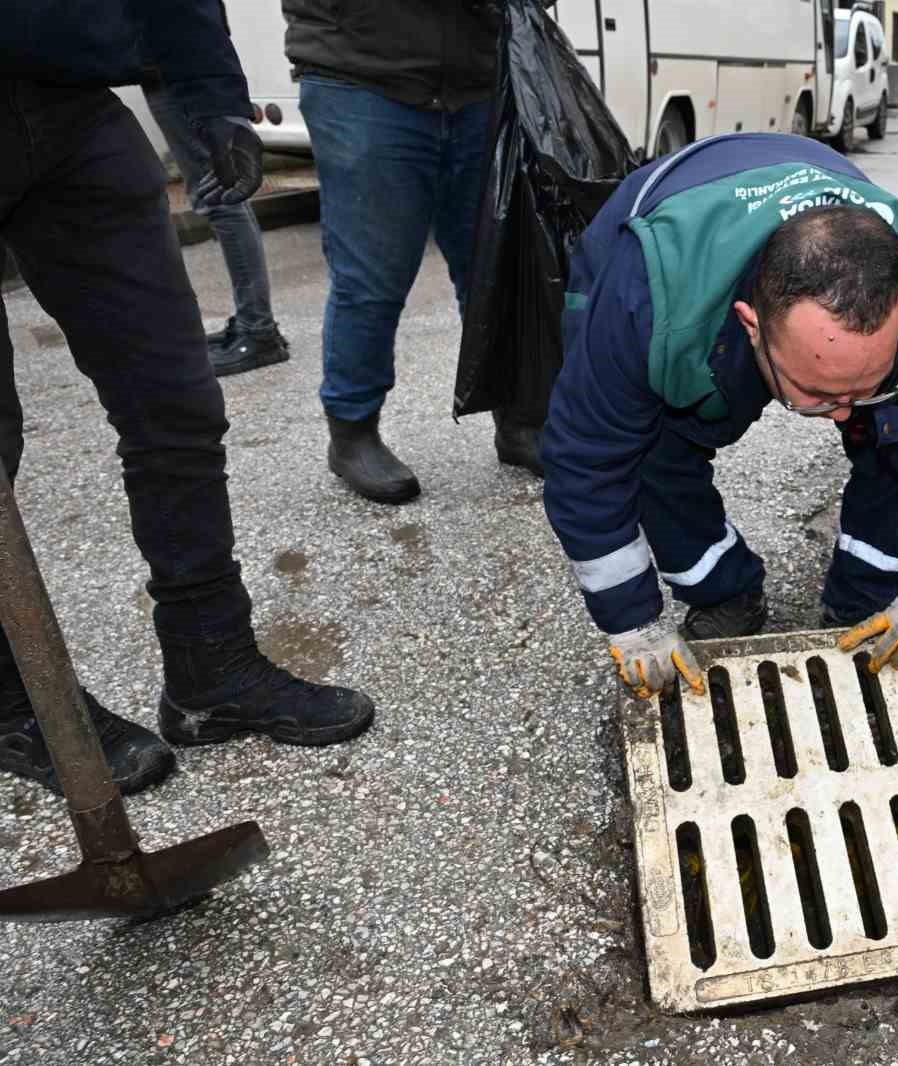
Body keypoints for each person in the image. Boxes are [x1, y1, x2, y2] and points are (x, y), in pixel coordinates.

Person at [1, 0, 376, 796]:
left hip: (68, 97)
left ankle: (211, 664)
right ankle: (16, 699)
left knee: (175, 399)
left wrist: (212, 95)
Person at [541, 134, 898, 698]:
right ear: (751, 326)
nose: (841, 416)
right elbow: (585, 462)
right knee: (656, 452)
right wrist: (632, 621)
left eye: (862, 389)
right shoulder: (645, 302)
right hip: (671, 252)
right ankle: (721, 590)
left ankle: (862, 601)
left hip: (807, 267)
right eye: (817, 394)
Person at [284, 0, 543, 504]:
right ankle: (352, 431)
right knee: (373, 276)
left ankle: (518, 419)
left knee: (496, 267)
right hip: (361, 72)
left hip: (477, 81)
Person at [142, 7, 290, 379]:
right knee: (219, 197)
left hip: (177, 68)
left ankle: (259, 330)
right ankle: (252, 322)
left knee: (222, 198)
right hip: (168, 66)